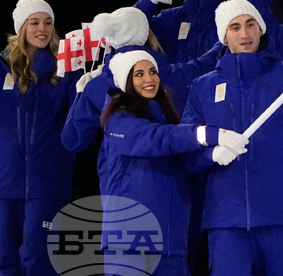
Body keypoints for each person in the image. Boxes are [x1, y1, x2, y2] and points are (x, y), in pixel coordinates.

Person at [181, 0, 283, 276]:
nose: (244, 34)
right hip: (226, 221)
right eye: (235, 27)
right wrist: (212, 154)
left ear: (261, 29)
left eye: (250, 25)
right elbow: (187, 153)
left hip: (282, 216)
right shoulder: (203, 87)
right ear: (224, 35)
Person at [98, 49, 249, 276]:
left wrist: (212, 156)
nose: (149, 79)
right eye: (138, 74)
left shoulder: (169, 122)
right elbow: (155, 138)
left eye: (152, 72)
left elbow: (185, 162)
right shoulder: (118, 121)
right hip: (130, 244)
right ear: (125, 81)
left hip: (171, 244)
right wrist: (207, 135)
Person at [0, 0, 81, 276]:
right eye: (34, 23)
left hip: (47, 182)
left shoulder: (66, 68)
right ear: (21, 28)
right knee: (8, 260)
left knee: (37, 259)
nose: (42, 29)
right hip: (5, 181)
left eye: (48, 22)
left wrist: (87, 87)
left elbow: (82, 117)